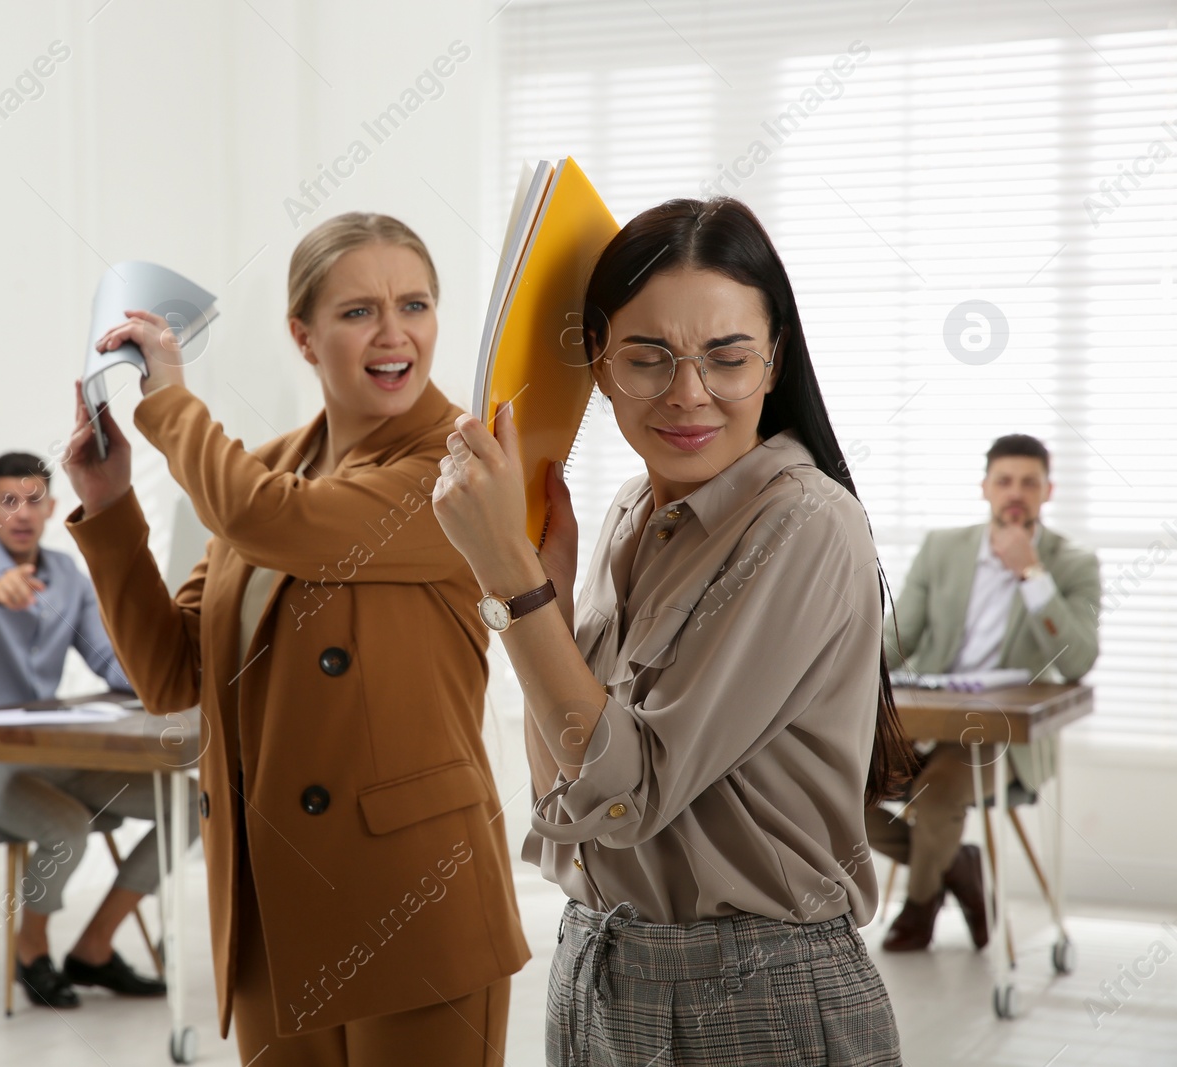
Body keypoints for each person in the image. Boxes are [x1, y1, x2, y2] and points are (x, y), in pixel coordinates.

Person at [434, 197, 912, 1065]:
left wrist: (510, 579)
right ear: (599, 363)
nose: (688, 394)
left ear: (773, 363)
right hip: (599, 967)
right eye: (648, 357)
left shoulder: (805, 522)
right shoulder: (625, 515)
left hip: (755, 996)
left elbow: (629, 792)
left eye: (727, 357)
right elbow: (568, 795)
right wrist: (529, 587)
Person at [62, 213, 530, 1066]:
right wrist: (109, 507)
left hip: (412, 902)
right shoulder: (267, 466)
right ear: (303, 336)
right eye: (357, 312)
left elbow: (272, 519)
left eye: (415, 304)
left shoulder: (462, 462)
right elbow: (173, 672)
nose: (394, 334)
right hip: (272, 908)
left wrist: (167, 401)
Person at [0, 451, 197, 1007]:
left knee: (192, 805)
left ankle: (94, 949)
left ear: (52, 507)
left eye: (33, 500)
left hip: (54, 760)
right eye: (8, 501)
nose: (22, 513)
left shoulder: (67, 576)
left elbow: (107, 658)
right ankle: (31, 952)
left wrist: (174, 670)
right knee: (69, 828)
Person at [866, 434, 1101, 952]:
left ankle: (920, 904)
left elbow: (1079, 659)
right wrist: (844, 676)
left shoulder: (1072, 564)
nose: (1015, 492)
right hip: (928, 720)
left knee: (940, 794)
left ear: (1047, 491)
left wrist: (1030, 572)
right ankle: (957, 864)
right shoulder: (943, 549)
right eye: (1005, 481)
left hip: (1003, 741)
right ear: (985, 488)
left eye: (1029, 483)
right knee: (834, 783)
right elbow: (896, 639)